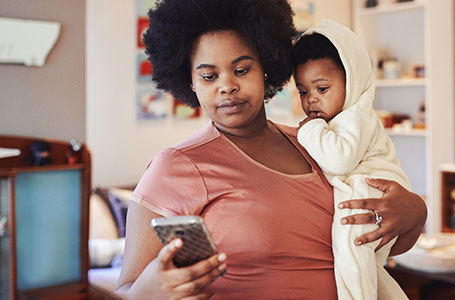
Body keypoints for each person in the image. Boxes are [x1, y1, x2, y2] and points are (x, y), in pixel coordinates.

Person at [115, 0, 427, 299]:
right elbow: (126, 290)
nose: (227, 86)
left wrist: (415, 213)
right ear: (191, 82)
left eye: (241, 70)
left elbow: (371, 246)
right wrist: (151, 289)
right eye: (209, 76)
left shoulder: (317, 143)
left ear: (266, 68)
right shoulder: (174, 166)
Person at [292, 20, 410, 299]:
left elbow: (340, 159)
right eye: (303, 91)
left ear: (352, 81)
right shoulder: (339, 119)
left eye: (322, 89)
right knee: (366, 266)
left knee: (350, 245)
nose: (311, 101)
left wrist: (308, 129)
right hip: (365, 187)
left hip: (372, 188)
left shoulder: (355, 116)